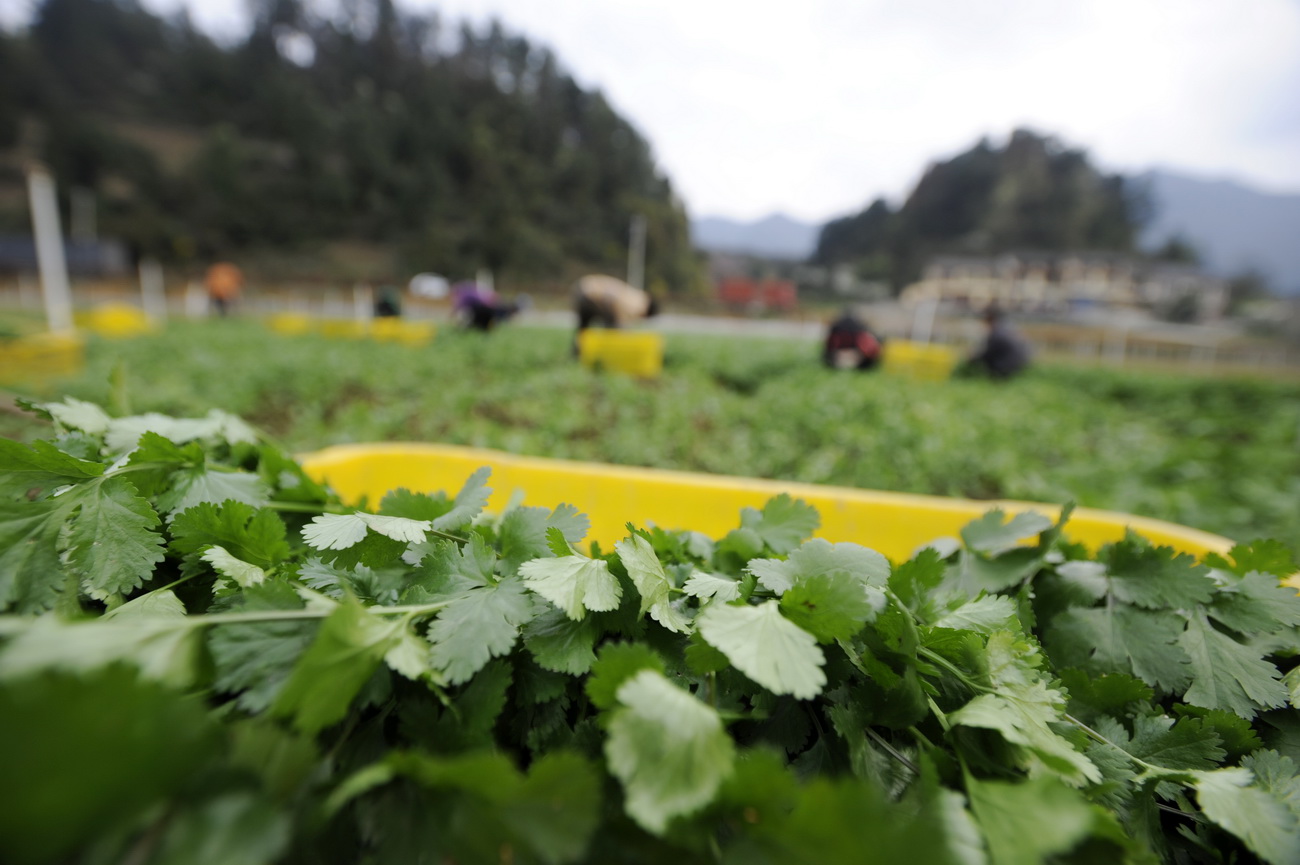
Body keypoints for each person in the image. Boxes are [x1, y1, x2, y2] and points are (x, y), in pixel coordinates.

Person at [572, 274, 659, 351]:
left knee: (584, 329)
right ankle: (606, 352)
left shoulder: (636, 294)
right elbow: (620, 310)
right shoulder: (640, 303)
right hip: (595, 295)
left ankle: (580, 351)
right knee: (612, 330)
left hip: (583, 287)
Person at [965, 305, 1030, 379]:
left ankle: (994, 380)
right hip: (1022, 363)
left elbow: (986, 354)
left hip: (1007, 367)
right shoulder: (1008, 327)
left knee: (987, 360)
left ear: (989, 317)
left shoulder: (996, 332)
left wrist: (971, 360)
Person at [452, 280, 520, 331]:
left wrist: (453, 314)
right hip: (482, 311)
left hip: (479, 311)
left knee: (472, 324)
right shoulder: (474, 293)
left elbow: (459, 306)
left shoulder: (465, 295)